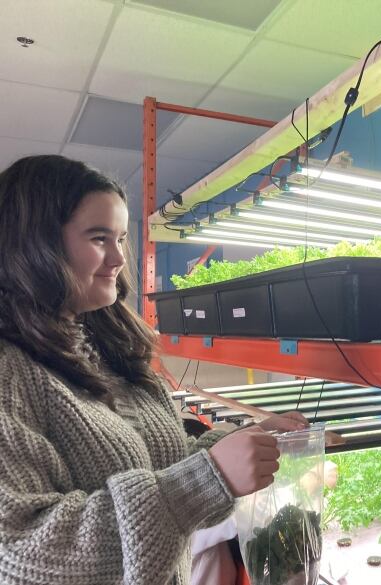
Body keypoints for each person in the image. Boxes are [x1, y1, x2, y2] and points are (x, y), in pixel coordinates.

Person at [0, 154, 307, 585]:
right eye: (98, 237)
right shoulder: (9, 371)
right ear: (36, 246)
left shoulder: (106, 343)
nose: (118, 258)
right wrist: (207, 478)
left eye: (121, 238)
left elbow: (160, 461)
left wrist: (242, 441)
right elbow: (25, 548)